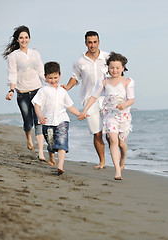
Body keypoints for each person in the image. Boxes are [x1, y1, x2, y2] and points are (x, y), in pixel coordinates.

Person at [79, 52, 135, 180]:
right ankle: (117, 171)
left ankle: (123, 158)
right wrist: (84, 111)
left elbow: (131, 100)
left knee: (121, 143)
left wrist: (124, 104)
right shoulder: (104, 82)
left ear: (122, 68)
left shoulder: (127, 82)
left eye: (117, 68)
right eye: (111, 67)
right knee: (113, 140)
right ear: (108, 68)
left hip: (124, 115)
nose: (114, 70)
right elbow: (93, 97)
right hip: (110, 115)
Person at [61, 31, 109, 169]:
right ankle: (102, 161)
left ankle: (116, 157)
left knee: (110, 134)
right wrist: (67, 88)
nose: (92, 45)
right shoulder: (80, 62)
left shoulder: (107, 57)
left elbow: (117, 72)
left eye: (94, 42)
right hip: (89, 100)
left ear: (98, 42)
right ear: (85, 43)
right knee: (97, 133)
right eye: (89, 42)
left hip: (107, 99)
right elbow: (75, 77)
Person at [3, 25, 46, 162]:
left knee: (39, 121)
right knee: (28, 123)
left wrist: (51, 82)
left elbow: (40, 72)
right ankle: (28, 136)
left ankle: (40, 153)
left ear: (29, 39)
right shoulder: (13, 56)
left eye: (26, 37)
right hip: (22, 93)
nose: (24, 40)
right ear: (17, 40)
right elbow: (13, 74)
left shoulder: (35, 53)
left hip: (37, 90)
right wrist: (11, 90)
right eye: (21, 38)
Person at [32, 62, 81, 175]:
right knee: (51, 144)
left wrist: (79, 114)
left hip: (62, 120)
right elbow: (37, 105)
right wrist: (39, 116)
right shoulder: (43, 91)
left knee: (62, 142)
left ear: (60, 75)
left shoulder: (63, 91)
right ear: (45, 77)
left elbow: (70, 106)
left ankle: (60, 166)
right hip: (47, 122)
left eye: (55, 77)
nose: (53, 80)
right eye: (50, 78)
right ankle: (51, 155)